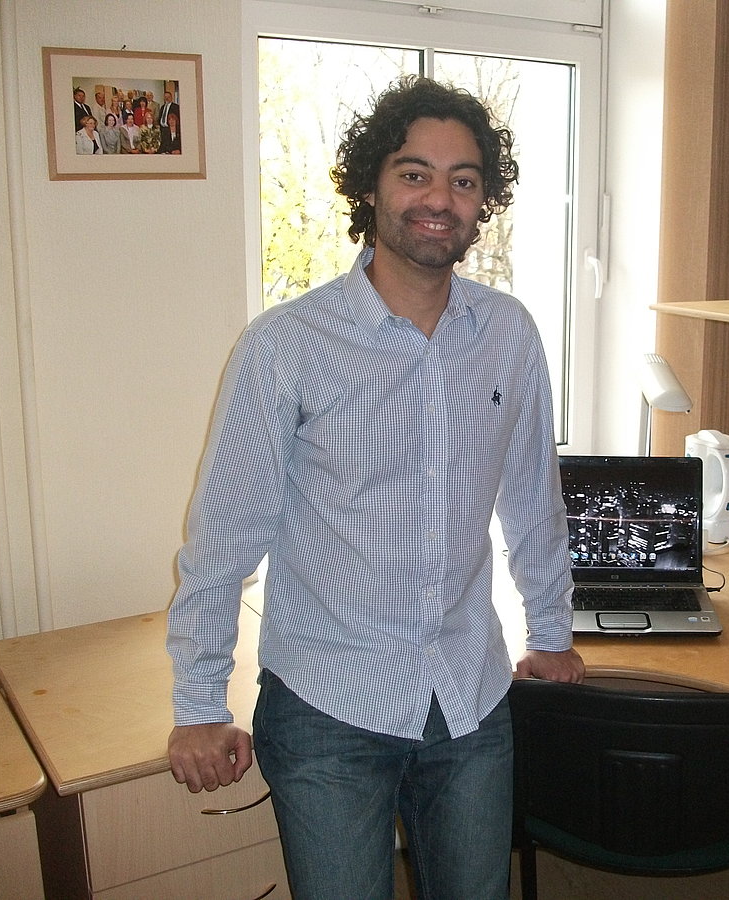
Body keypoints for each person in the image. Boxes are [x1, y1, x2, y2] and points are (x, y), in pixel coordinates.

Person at [165, 75, 584, 900]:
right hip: (328, 706)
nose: (439, 199)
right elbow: (225, 536)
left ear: (483, 201)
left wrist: (551, 628)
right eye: (414, 173)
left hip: (468, 699)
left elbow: (533, 499)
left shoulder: (508, 333)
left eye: (463, 179)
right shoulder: (286, 346)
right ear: (371, 186)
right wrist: (199, 702)